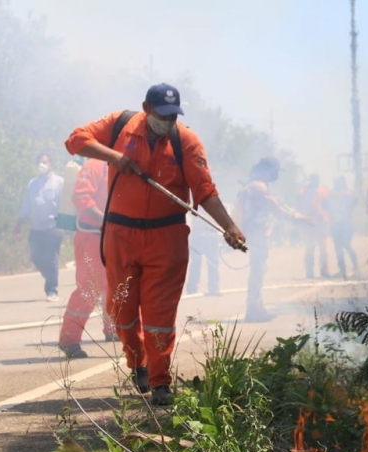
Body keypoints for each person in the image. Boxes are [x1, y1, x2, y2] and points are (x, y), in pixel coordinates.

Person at [64, 83, 245, 405]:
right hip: (121, 235)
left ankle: (161, 382)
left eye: (174, 115)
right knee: (120, 310)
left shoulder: (185, 141)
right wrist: (115, 157)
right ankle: (137, 363)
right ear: (146, 108)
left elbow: (204, 191)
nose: (168, 121)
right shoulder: (120, 124)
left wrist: (230, 227)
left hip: (166, 238)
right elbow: (76, 141)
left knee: (159, 315)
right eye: (162, 115)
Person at [237, 157, 311, 322]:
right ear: (267, 169)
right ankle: (253, 310)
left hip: (256, 234)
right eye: (275, 171)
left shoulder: (255, 185)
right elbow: (277, 208)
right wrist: (298, 218)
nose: (276, 174)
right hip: (256, 235)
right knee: (258, 272)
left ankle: (256, 308)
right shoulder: (258, 187)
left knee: (259, 271)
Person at [57, 158, 117, 360]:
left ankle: (113, 329)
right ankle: (69, 340)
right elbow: (81, 197)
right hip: (92, 236)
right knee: (89, 288)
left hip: (111, 235)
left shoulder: (117, 162)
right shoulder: (96, 164)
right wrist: (108, 221)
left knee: (116, 285)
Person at [14, 152, 64, 302]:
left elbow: (65, 206)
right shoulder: (32, 184)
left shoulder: (59, 182)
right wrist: (19, 223)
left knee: (51, 258)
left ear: (51, 164)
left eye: (45, 162)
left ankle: (52, 290)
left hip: (53, 227)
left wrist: (61, 225)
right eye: (40, 163)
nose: (42, 165)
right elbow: (26, 206)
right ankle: (50, 276)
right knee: (36, 257)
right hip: (36, 228)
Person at [323, 175, 360, 279]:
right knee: (342, 247)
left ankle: (350, 269)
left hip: (342, 224)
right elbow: (355, 203)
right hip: (343, 224)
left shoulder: (333, 195)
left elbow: (325, 206)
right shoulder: (349, 193)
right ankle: (345, 270)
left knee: (343, 246)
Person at [296, 174, 330, 278]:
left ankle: (321, 271)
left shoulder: (322, 191)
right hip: (310, 222)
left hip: (318, 222)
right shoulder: (304, 192)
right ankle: (311, 272)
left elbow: (328, 206)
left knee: (320, 248)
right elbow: (298, 206)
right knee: (312, 247)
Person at [185, 215, 221, 296]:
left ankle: (213, 287)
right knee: (196, 263)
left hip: (210, 235)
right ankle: (192, 288)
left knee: (213, 263)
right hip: (198, 234)